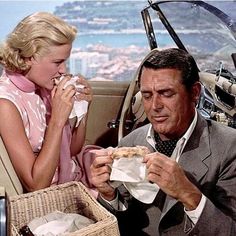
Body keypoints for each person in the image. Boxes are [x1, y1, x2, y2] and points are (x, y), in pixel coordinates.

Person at [90, 48, 236, 235]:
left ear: (194, 92)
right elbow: (118, 225)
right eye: (147, 95)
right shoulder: (130, 143)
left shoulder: (230, 147)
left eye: (166, 93)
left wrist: (188, 194)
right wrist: (108, 196)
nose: (155, 106)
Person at [0, 12, 96, 193]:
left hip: (73, 176)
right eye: (57, 62)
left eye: (65, 62)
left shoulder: (43, 87)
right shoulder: (6, 104)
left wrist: (83, 110)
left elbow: (72, 149)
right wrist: (58, 120)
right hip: (51, 194)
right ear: (29, 57)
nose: (63, 70)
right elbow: (36, 184)